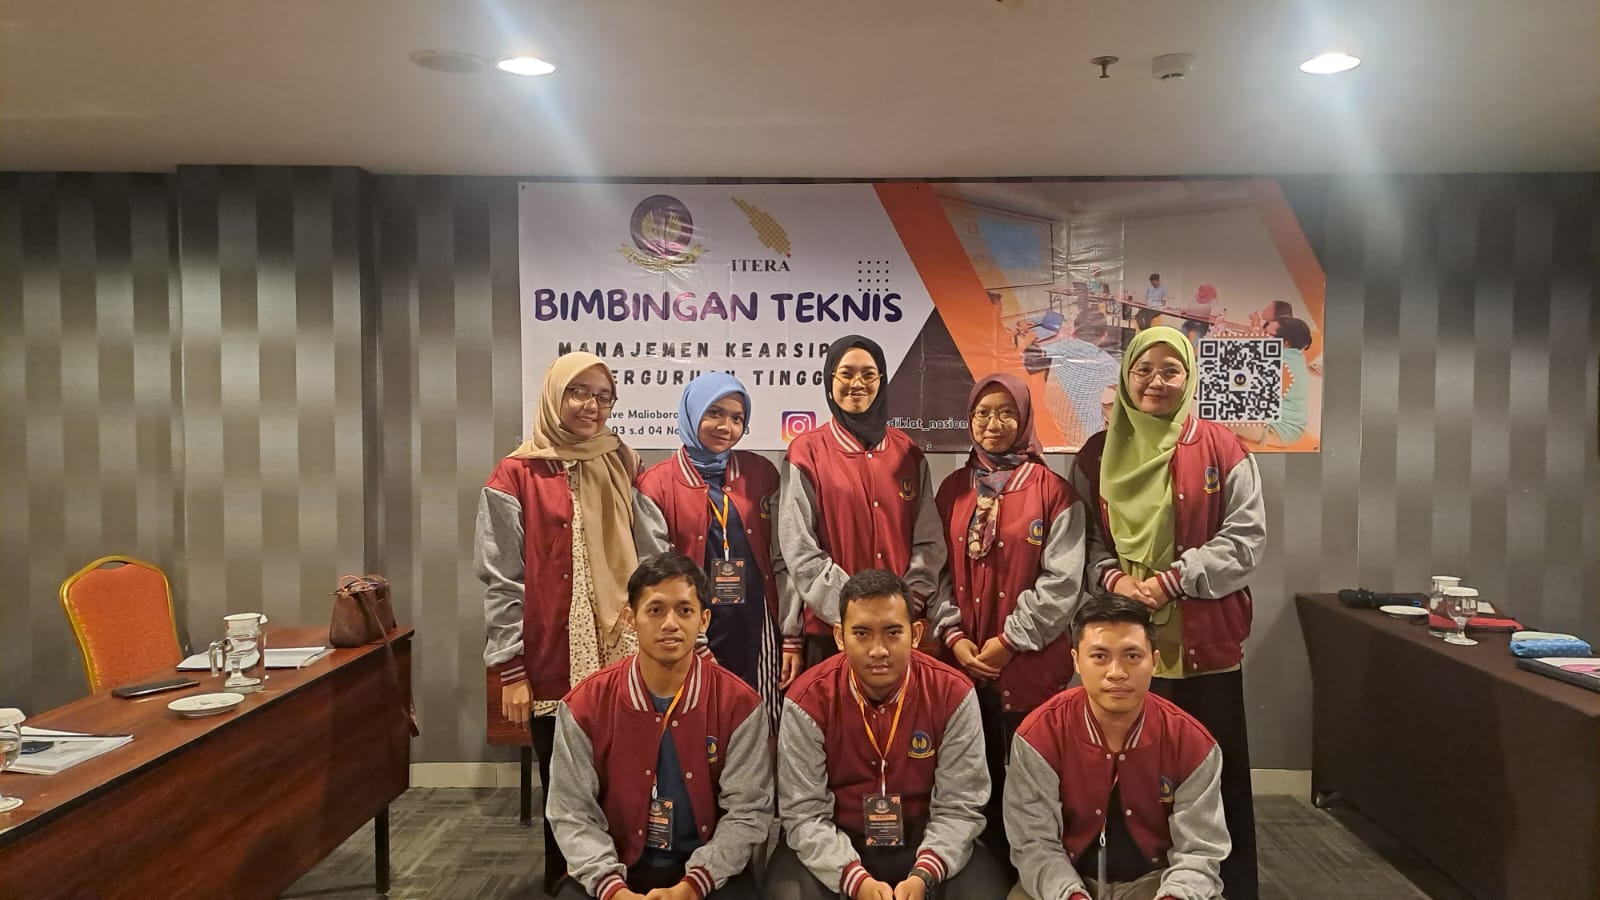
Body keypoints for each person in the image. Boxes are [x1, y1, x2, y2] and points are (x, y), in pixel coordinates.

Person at [1068, 326, 1265, 900]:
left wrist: (1171, 582)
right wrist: (1118, 582)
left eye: (1170, 370)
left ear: (1189, 377)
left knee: (1213, 780)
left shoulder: (1223, 448)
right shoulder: (1095, 455)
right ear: (1126, 377)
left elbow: (1245, 540)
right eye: (1143, 370)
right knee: (1129, 778)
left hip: (1203, 648)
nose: (1156, 381)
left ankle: (1224, 890)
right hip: (1123, 647)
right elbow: (1086, 542)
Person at [477, 351, 642, 896]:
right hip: (553, 653)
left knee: (626, 771)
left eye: (603, 396)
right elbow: (501, 579)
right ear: (554, 395)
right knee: (564, 780)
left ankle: (627, 874)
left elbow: (649, 551)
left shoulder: (622, 460)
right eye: (579, 392)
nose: (591, 405)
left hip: (622, 645)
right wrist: (510, 670)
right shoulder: (514, 474)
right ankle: (566, 878)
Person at [765, 569, 1008, 900]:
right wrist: (854, 879)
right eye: (861, 634)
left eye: (893, 633)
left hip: (924, 836)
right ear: (840, 637)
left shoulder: (953, 693)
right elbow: (804, 813)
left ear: (916, 634)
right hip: (838, 835)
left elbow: (959, 806)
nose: (878, 650)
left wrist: (925, 874)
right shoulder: (807, 699)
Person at [548, 553, 772, 900]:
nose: (670, 624)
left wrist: (693, 885)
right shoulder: (584, 706)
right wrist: (613, 889)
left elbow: (747, 813)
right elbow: (572, 813)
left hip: (707, 871)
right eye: (655, 610)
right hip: (614, 867)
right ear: (630, 619)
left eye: (684, 610)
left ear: (704, 620)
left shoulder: (740, 705)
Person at [929, 373, 1086, 867]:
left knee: (1031, 779)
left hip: (1029, 666)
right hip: (962, 664)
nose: (993, 424)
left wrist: (1008, 642)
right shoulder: (952, 491)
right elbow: (936, 572)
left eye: (1005, 413)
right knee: (969, 778)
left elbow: (1062, 583)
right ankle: (977, 872)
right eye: (982, 413)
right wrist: (954, 637)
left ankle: (1036, 872)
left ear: (1024, 419)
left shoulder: (1054, 492)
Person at [1005, 594, 1229, 900]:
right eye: (1099, 656)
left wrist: (1173, 896)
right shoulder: (1039, 735)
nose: (1116, 672)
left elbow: (1199, 851)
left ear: (1155, 661)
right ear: (1076, 661)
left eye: (1132, 656)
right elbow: (1034, 844)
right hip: (1064, 880)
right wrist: (1071, 896)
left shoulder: (1192, 742)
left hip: (1158, 881)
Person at [777, 335, 945, 680]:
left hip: (897, 631)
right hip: (831, 631)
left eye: (869, 374)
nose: (857, 383)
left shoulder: (908, 453)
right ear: (830, 380)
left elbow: (928, 542)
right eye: (847, 373)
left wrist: (906, 601)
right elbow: (799, 551)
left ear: (881, 380)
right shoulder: (806, 452)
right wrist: (854, 610)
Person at [635, 373, 784, 725]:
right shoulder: (656, 483)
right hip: (690, 627)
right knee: (699, 724)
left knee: (759, 720)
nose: (725, 427)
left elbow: (782, 557)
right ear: (692, 413)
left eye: (737, 418)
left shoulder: (761, 473)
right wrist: (694, 639)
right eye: (714, 413)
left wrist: (790, 633)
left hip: (757, 623)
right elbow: (653, 573)